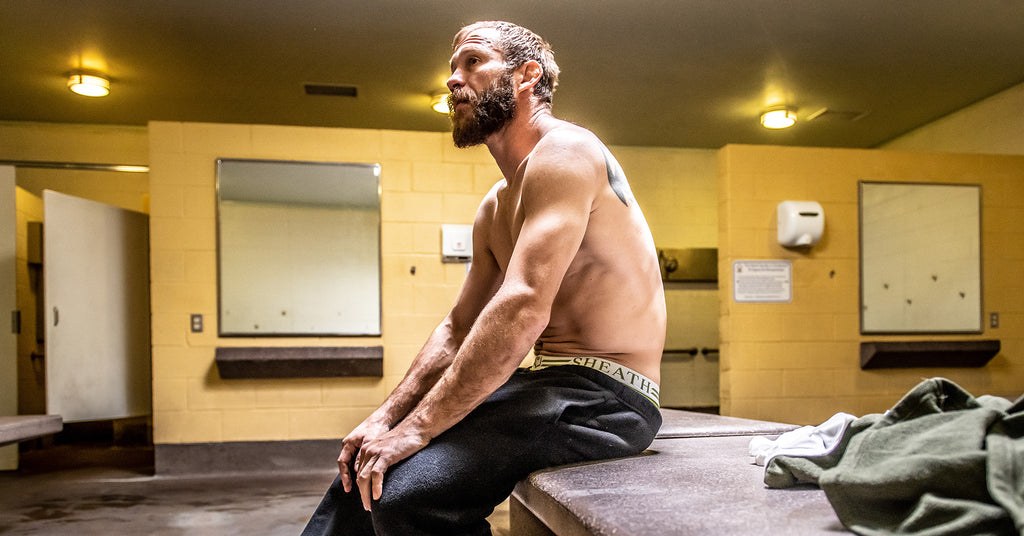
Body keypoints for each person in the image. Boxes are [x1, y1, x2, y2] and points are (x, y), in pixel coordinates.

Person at [302, 20, 666, 536]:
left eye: (472, 61)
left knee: (405, 495)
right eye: (452, 67)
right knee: (364, 469)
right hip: (547, 384)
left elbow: (522, 306)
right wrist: (384, 419)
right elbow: (457, 328)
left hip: (606, 398)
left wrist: (420, 429)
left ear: (526, 75)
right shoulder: (495, 206)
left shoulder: (567, 151)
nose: (454, 78)